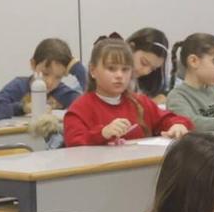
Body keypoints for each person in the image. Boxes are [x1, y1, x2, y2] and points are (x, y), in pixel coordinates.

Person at [64, 35, 192, 147]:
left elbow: (171, 119)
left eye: (125, 69)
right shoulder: (80, 108)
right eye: (111, 68)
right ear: (93, 70)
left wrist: (178, 126)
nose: (119, 75)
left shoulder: (140, 102)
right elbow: (73, 143)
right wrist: (102, 134)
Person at [0, 38, 84, 118]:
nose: (50, 82)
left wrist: (78, 68)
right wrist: (23, 107)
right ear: (33, 64)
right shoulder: (18, 86)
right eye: (45, 73)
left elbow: (90, 104)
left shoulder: (63, 93)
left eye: (58, 77)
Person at [128, 28, 171, 100]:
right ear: (131, 48)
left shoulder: (140, 86)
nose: (146, 72)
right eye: (144, 63)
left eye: (152, 69)